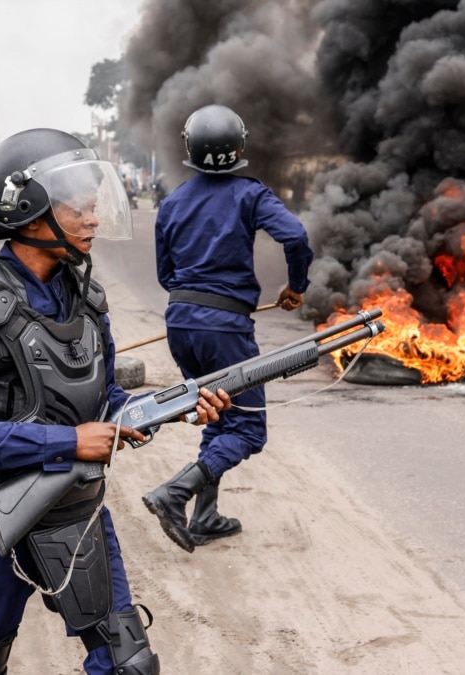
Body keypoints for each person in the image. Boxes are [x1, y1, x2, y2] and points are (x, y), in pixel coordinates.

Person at [0, 128, 229, 675]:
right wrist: (69, 441)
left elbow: (103, 396)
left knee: (128, 664)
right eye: (80, 209)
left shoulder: (85, 296)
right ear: (29, 212)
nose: (94, 220)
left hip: (79, 515)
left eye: (94, 207)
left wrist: (167, 406)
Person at [145, 104, 314, 553]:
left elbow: (166, 276)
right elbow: (295, 237)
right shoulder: (250, 194)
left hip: (181, 320)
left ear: (189, 148)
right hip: (225, 328)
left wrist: (195, 299)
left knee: (216, 410)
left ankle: (204, 516)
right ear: (241, 146)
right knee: (247, 430)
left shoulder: (173, 202)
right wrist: (296, 286)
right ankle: (175, 494)